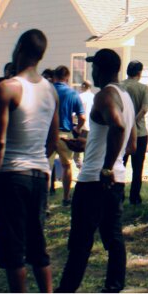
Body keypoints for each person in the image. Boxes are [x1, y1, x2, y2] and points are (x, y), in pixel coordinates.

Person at [0, 29, 59, 292]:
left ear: (21, 49)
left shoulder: (7, 88)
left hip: (11, 176)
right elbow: (52, 140)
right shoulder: (51, 92)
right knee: (37, 244)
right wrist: (37, 159)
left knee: (13, 247)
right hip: (39, 175)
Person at [56, 48, 136, 293]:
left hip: (94, 179)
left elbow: (119, 127)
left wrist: (105, 167)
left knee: (80, 240)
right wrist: (88, 145)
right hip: (117, 179)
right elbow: (131, 143)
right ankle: (113, 287)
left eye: (94, 67)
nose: (92, 71)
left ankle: (66, 289)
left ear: (100, 70)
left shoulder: (104, 96)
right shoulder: (127, 98)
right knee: (113, 237)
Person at [51, 65, 86, 206]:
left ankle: (44, 201)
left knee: (47, 167)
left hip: (49, 134)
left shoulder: (48, 91)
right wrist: (77, 128)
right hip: (66, 133)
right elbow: (82, 117)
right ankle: (66, 197)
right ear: (67, 77)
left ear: (54, 77)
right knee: (67, 166)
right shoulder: (72, 94)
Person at [121, 60, 148, 205]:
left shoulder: (120, 87)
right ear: (139, 73)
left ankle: (119, 194)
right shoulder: (143, 88)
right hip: (140, 133)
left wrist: (126, 122)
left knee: (120, 164)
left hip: (121, 131)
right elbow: (145, 108)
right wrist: (133, 120)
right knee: (137, 166)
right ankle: (135, 196)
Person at [74, 81, 95, 170]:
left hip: (81, 127)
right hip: (92, 128)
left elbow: (74, 113)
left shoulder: (80, 97)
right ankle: (86, 168)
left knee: (77, 151)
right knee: (88, 150)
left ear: (83, 87)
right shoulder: (94, 97)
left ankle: (80, 169)